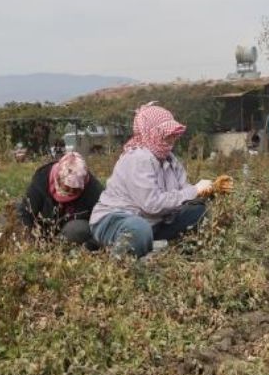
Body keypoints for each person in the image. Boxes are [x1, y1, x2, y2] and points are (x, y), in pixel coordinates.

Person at [90, 102, 232, 258]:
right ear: (151, 133)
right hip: (116, 219)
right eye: (167, 133)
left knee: (197, 211)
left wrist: (210, 189)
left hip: (152, 221)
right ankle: (120, 265)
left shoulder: (170, 159)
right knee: (138, 229)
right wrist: (195, 190)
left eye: (172, 133)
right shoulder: (138, 158)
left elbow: (183, 194)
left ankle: (163, 250)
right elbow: (152, 204)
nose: (172, 138)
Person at [17, 151, 104, 248]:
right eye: (66, 188)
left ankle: (61, 248)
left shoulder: (94, 190)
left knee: (77, 229)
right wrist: (26, 240)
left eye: (75, 189)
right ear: (58, 178)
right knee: (17, 215)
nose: (70, 192)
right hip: (42, 229)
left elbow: (103, 222)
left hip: (72, 234)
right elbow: (26, 212)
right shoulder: (41, 180)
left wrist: (90, 245)